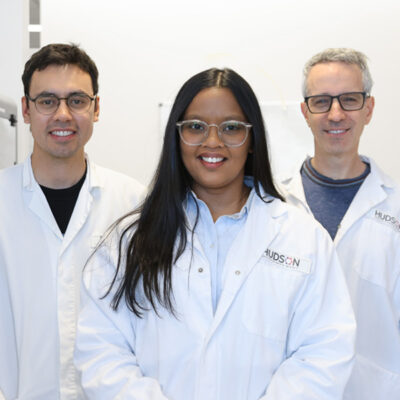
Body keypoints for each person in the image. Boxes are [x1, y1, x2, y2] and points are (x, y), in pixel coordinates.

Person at [75, 68, 355, 400]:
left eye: (232, 128)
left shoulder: (303, 238)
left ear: (252, 141)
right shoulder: (128, 240)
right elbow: (103, 352)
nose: (212, 141)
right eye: (195, 127)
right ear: (176, 137)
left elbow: (323, 351)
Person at [0, 43, 145, 400]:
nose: (63, 114)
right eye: (47, 101)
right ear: (26, 110)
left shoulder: (133, 206)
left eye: (77, 101)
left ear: (96, 109)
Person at [279, 48, 400, 399]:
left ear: (369, 109)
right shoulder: (270, 204)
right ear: (305, 112)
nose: (335, 114)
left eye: (349, 100)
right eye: (321, 101)